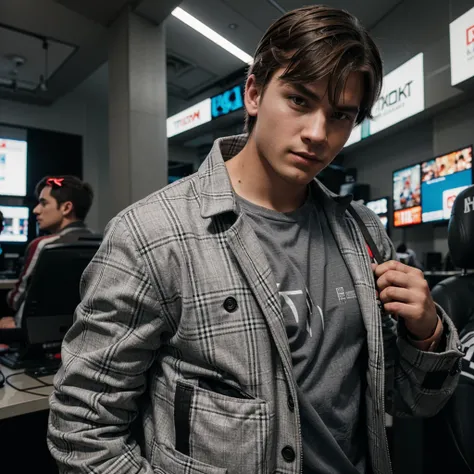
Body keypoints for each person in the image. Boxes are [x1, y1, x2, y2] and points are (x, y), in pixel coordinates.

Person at [48, 6, 463, 474]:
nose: (317, 134)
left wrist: (425, 334)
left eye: (341, 115)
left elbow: (408, 401)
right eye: (299, 101)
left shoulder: (364, 233)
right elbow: (81, 429)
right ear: (254, 92)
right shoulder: (152, 236)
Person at [3, 175, 94, 328]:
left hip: (34, 335)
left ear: (66, 208)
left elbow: (15, 300)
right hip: (80, 331)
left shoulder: (43, 245)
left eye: (43, 203)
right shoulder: (101, 242)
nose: (35, 210)